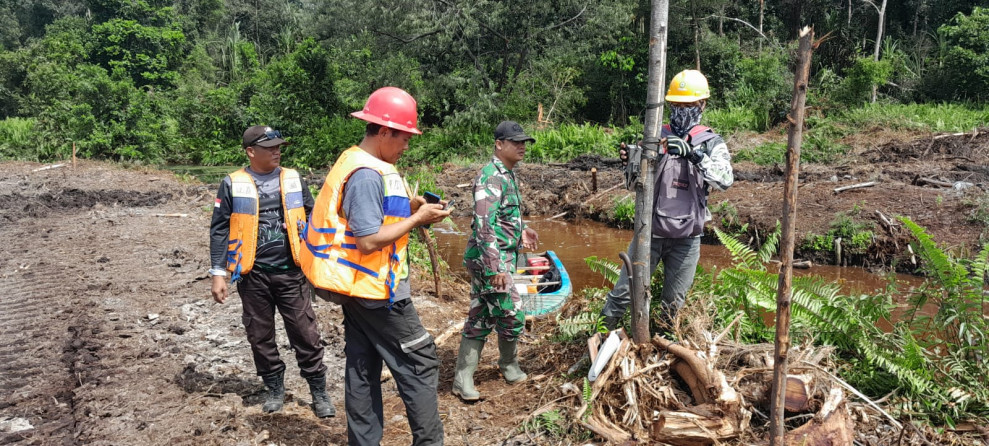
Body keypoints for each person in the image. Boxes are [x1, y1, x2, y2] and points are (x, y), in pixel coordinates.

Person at [298, 86, 450, 445]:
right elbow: (367, 240)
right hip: (379, 293)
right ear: (384, 131)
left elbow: (375, 220)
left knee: (363, 367)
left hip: (359, 290)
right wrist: (418, 220)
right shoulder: (367, 174)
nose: (407, 146)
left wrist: (413, 211)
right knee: (420, 362)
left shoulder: (361, 163)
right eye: (404, 138)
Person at [208, 125, 335, 418]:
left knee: (305, 332)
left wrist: (323, 260)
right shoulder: (232, 183)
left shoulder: (293, 178)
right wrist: (218, 273)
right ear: (251, 152)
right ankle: (274, 387)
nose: (277, 151)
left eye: (279, 146)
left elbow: (313, 215)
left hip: (292, 271)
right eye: (270, 147)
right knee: (260, 335)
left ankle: (318, 390)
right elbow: (218, 229)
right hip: (252, 275)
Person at [601, 69, 734, 331]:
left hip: (687, 239)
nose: (682, 110)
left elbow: (725, 180)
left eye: (689, 105)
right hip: (649, 233)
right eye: (677, 105)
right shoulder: (655, 137)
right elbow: (633, 187)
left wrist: (694, 155)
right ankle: (599, 339)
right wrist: (631, 164)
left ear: (702, 105)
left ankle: (664, 349)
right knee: (623, 294)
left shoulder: (710, 142)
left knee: (673, 304)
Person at [452, 120, 539, 402]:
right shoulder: (491, 177)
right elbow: (483, 226)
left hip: (497, 257)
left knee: (480, 315)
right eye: (516, 142)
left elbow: (501, 218)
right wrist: (495, 269)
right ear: (499, 145)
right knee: (513, 314)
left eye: (524, 142)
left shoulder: (507, 174)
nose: (522, 146)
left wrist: (522, 229)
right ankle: (509, 365)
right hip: (490, 262)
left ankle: (462, 379)